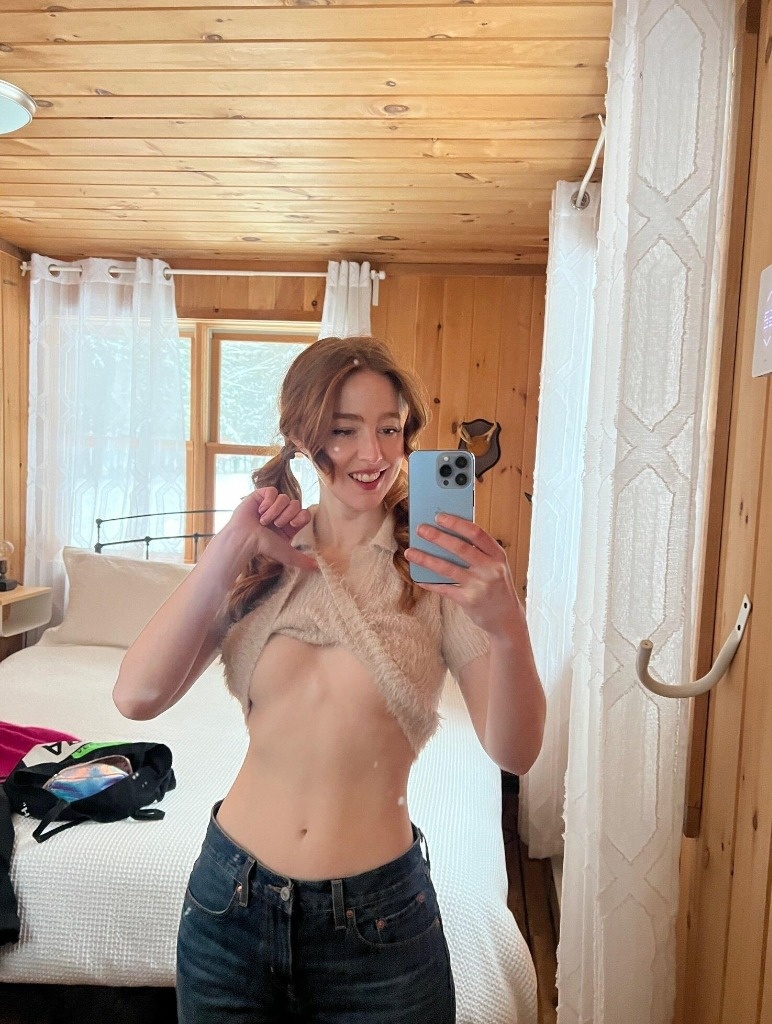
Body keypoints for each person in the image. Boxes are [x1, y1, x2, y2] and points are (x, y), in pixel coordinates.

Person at [113, 335, 545, 1024]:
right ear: (300, 436)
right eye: (344, 431)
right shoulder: (262, 557)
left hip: (379, 926)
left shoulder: (436, 570)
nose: (372, 454)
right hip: (229, 906)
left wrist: (507, 626)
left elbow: (515, 752)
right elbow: (136, 697)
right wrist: (231, 544)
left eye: (389, 429)